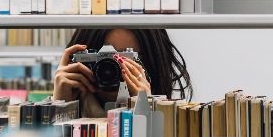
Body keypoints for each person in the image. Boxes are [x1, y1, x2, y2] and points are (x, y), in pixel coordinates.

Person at [53, 28, 193, 117]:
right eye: (100, 58)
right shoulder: (61, 109)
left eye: (125, 58)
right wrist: (61, 108)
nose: (110, 70)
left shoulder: (175, 120)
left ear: (153, 62)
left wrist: (146, 109)